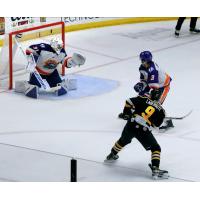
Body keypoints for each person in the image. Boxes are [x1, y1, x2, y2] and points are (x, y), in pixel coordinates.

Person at [105, 93, 169, 179]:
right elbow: (156, 125)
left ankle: (112, 155)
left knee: (123, 141)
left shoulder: (143, 99)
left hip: (131, 124)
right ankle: (155, 169)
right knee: (156, 148)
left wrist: (126, 113)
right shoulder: (162, 111)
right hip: (143, 130)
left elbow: (129, 101)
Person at [118, 51, 174, 131]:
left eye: (144, 60)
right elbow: (144, 80)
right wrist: (140, 85)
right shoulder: (142, 68)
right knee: (141, 97)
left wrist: (147, 93)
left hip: (163, 86)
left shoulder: (153, 69)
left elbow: (154, 86)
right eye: (141, 60)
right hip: (154, 84)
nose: (142, 62)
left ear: (149, 60)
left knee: (155, 104)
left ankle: (167, 121)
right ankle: (133, 112)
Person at [15, 37, 85, 98]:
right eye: (58, 46)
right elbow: (29, 50)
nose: (59, 48)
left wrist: (72, 61)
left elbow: (65, 61)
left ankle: (66, 83)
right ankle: (24, 85)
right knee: (33, 89)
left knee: (60, 87)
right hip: (38, 72)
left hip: (52, 73)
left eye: (60, 46)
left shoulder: (62, 52)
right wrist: (32, 62)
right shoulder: (43, 47)